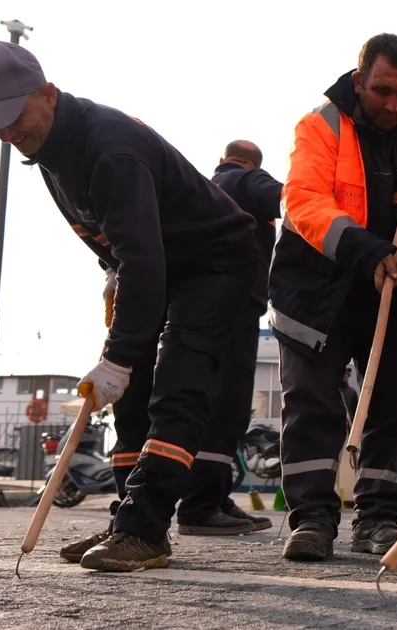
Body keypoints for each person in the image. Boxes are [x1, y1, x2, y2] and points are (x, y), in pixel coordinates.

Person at [0, 40, 260, 572]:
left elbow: (145, 259)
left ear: (47, 95)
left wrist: (119, 354)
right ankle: (128, 519)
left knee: (176, 386)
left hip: (215, 263)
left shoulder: (108, 149)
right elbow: (119, 245)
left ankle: (144, 531)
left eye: (11, 116)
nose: (6, 133)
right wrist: (111, 275)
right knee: (129, 396)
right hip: (154, 264)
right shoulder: (49, 149)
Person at [270, 33, 397, 562]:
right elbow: (303, 202)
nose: (395, 105)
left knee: (396, 404)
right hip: (317, 287)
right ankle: (312, 520)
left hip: (392, 283)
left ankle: (378, 520)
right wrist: (365, 250)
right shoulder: (320, 125)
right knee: (311, 403)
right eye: (383, 92)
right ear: (359, 81)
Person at [173, 139, 283, 536]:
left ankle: (213, 497)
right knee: (228, 406)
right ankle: (201, 505)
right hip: (234, 305)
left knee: (204, 402)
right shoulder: (247, 180)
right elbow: (283, 197)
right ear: (253, 164)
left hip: (193, 307)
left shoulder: (200, 187)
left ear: (221, 160)